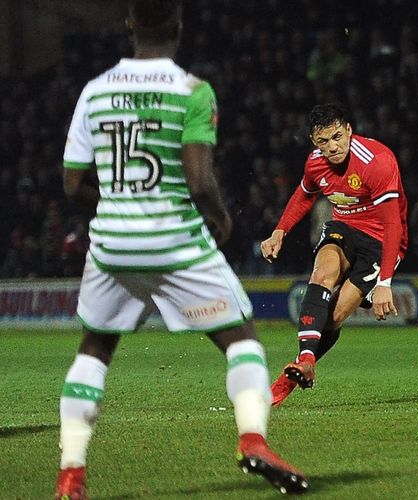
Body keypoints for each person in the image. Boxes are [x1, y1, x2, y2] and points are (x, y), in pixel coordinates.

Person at [54, 2, 308, 498]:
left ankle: (71, 473)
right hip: (175, 242)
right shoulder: (192, 91)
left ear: (129, 24)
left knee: (95, 349)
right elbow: (198, 180)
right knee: (241, 340)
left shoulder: (95, 91)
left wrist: (124, 202)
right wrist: (222, 217)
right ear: (178, 27)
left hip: (112, 245)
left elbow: (71, 184)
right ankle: (253, 440)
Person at [260, 103, 408, 406]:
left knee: (336, 315)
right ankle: (304, 364)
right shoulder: (315, 163)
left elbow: (393, 224)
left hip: (381, 239)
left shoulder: (376, 162)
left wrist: (385, 283)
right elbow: (305, 193)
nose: (333, 147)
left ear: (349, 130)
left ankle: (304, 363)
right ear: (314, 142)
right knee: (322, 272)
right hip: (344, 227)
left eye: (338, 137)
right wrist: (280, 231)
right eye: (323, 142)